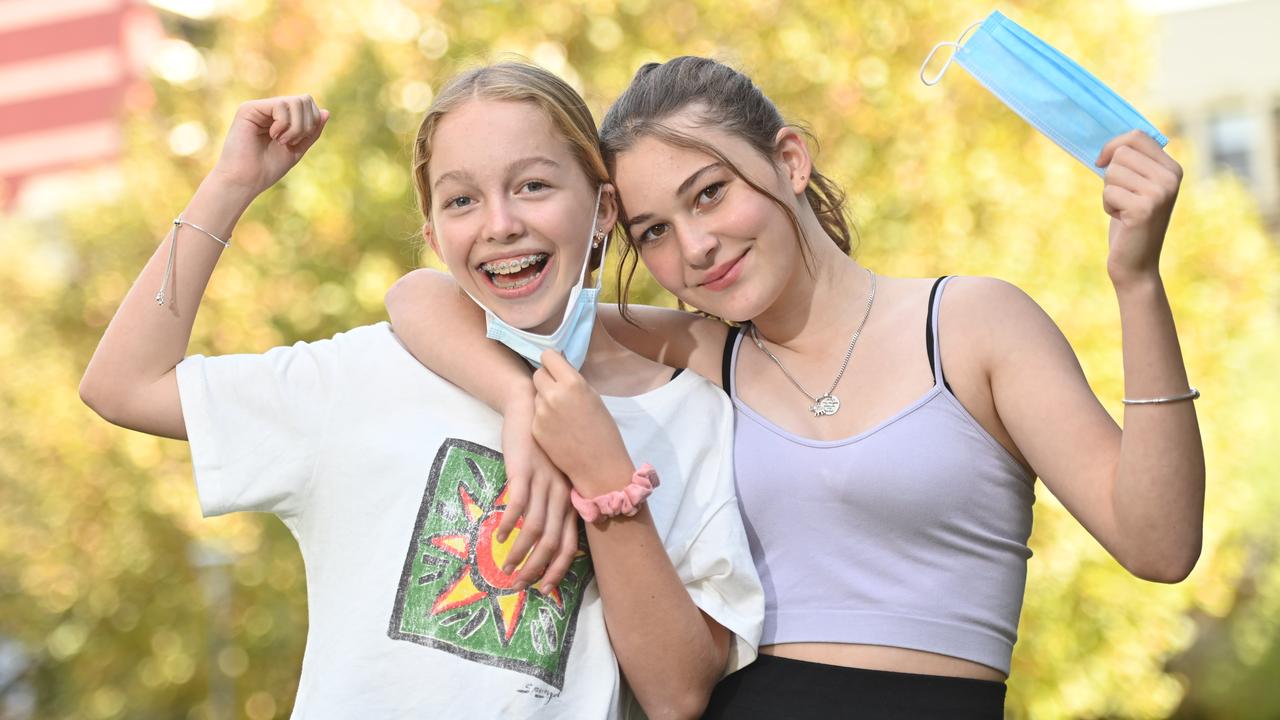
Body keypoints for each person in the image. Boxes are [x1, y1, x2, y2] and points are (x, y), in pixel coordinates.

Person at [385, 56, 1204, 719]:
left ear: (788, 159)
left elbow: (1159, 545)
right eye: (655, 232)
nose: (696, 248)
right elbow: (422, 296)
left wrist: (1137, 284)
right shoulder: (704, 352)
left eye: (711, 193)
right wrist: (522, 404)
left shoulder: (971, 324)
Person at [79, 63, 763, 719]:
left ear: (604, 207)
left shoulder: (692, 415)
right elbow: (123, 386)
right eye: (463, 200)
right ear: (435, 235)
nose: (500, 223)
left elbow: (678, 695)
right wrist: (229, 185)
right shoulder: (367, 375)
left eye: (532, 186)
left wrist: (605, 480)